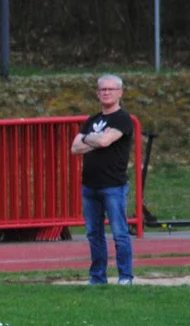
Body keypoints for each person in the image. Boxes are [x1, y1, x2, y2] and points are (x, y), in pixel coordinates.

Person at [70, 74, 134, 286]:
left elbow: (106, 141)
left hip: (113, 185)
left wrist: (90, 139)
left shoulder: (122, 119)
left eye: (111, 89)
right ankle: (98, 276)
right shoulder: (92, 120)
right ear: (97, 93)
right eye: (103, 90)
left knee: (119, 233)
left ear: (120, 92)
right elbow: (75, 147)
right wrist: (93, 139)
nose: (106, 93)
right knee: (93, 234)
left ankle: (125, 276)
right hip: (90, 185)